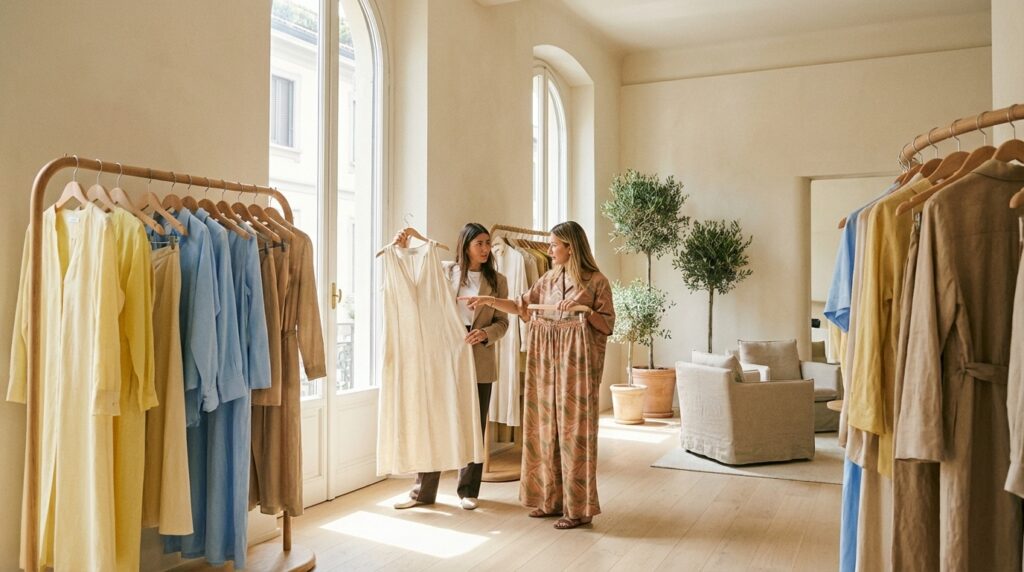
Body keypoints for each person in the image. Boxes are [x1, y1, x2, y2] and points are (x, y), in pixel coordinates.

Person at [460, 221, 614, 530]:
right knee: (545, 429)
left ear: (571, 247)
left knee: (575, 434)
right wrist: (489, 300)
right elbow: (521, 306)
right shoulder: (547, 278)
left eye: (555, 245)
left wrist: (585, 308)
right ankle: (550, 499)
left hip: (578, 366)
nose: (550, 250)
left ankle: (578, 508)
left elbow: (607, 325)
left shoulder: (596, 282)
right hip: (546, 362)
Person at [393, 222, 509, 510]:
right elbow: (419, 289)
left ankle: (468, 491)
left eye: (487, 243)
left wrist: (485, 334)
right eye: (479, 243)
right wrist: (403, 249)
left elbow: (503, 322)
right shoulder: (446, 272)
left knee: (474, 424)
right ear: (465, 246)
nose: (485, 249)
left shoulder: (498, 281)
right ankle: (423, 492)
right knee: (437, 421)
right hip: (446, 357)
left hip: (479, 356)